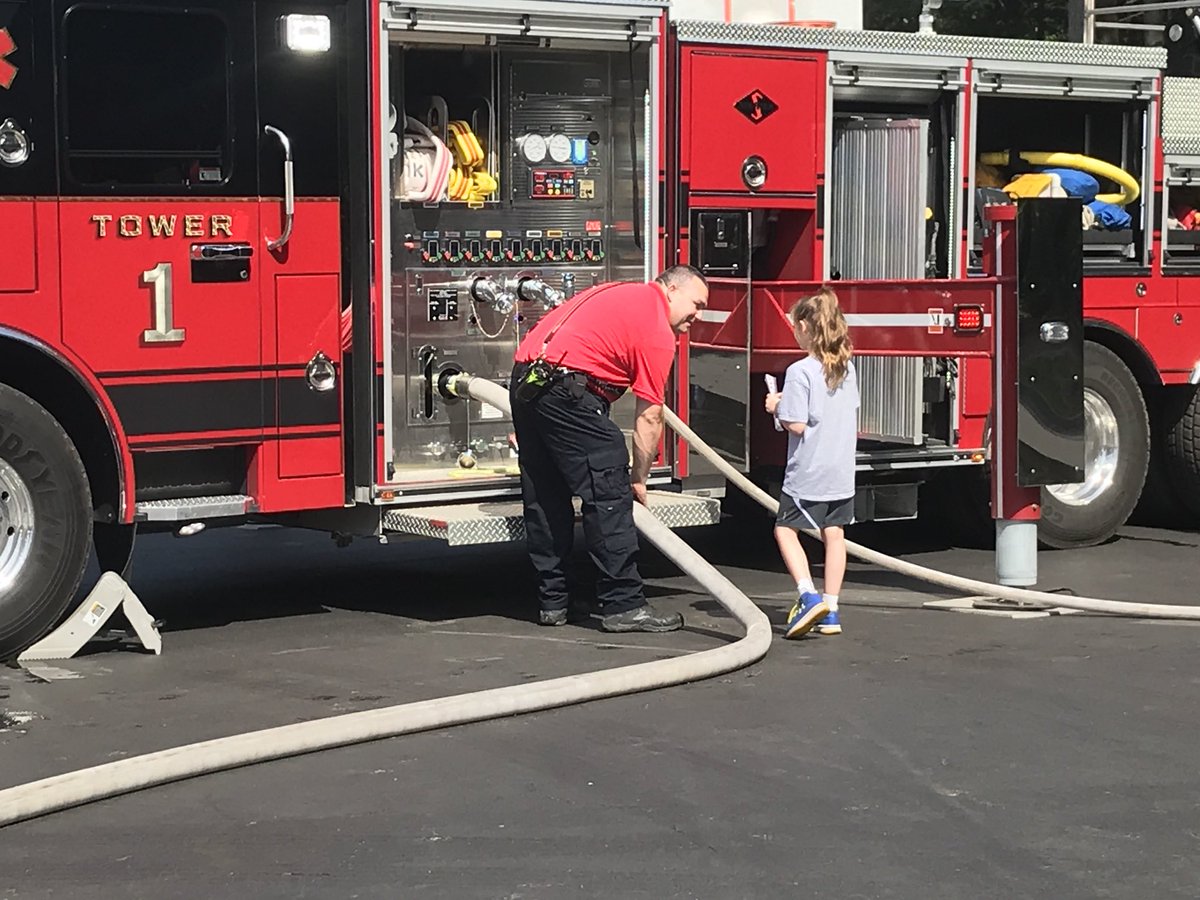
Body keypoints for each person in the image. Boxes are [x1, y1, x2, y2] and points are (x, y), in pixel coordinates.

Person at [509, 266, 709, 632]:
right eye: (696, 304)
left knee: (547, 495)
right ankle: (623, 605)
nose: (697, 315)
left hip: (528, 378)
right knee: (608, 490)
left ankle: (555, 601)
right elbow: (649, 416)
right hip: (566, 388)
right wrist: (638, 478)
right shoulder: (656, 329)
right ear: (672, 289)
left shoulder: (618, 291)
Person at [764, 287, 859, 639]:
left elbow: (797, 424)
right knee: (835, 535)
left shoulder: (800, 371)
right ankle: (832, 609)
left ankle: (807, 595)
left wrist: (777, 405)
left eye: (794, 326)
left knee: (785, 529)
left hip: (810, 471)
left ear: (805, 326)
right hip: (842, 471)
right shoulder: (847, 368)